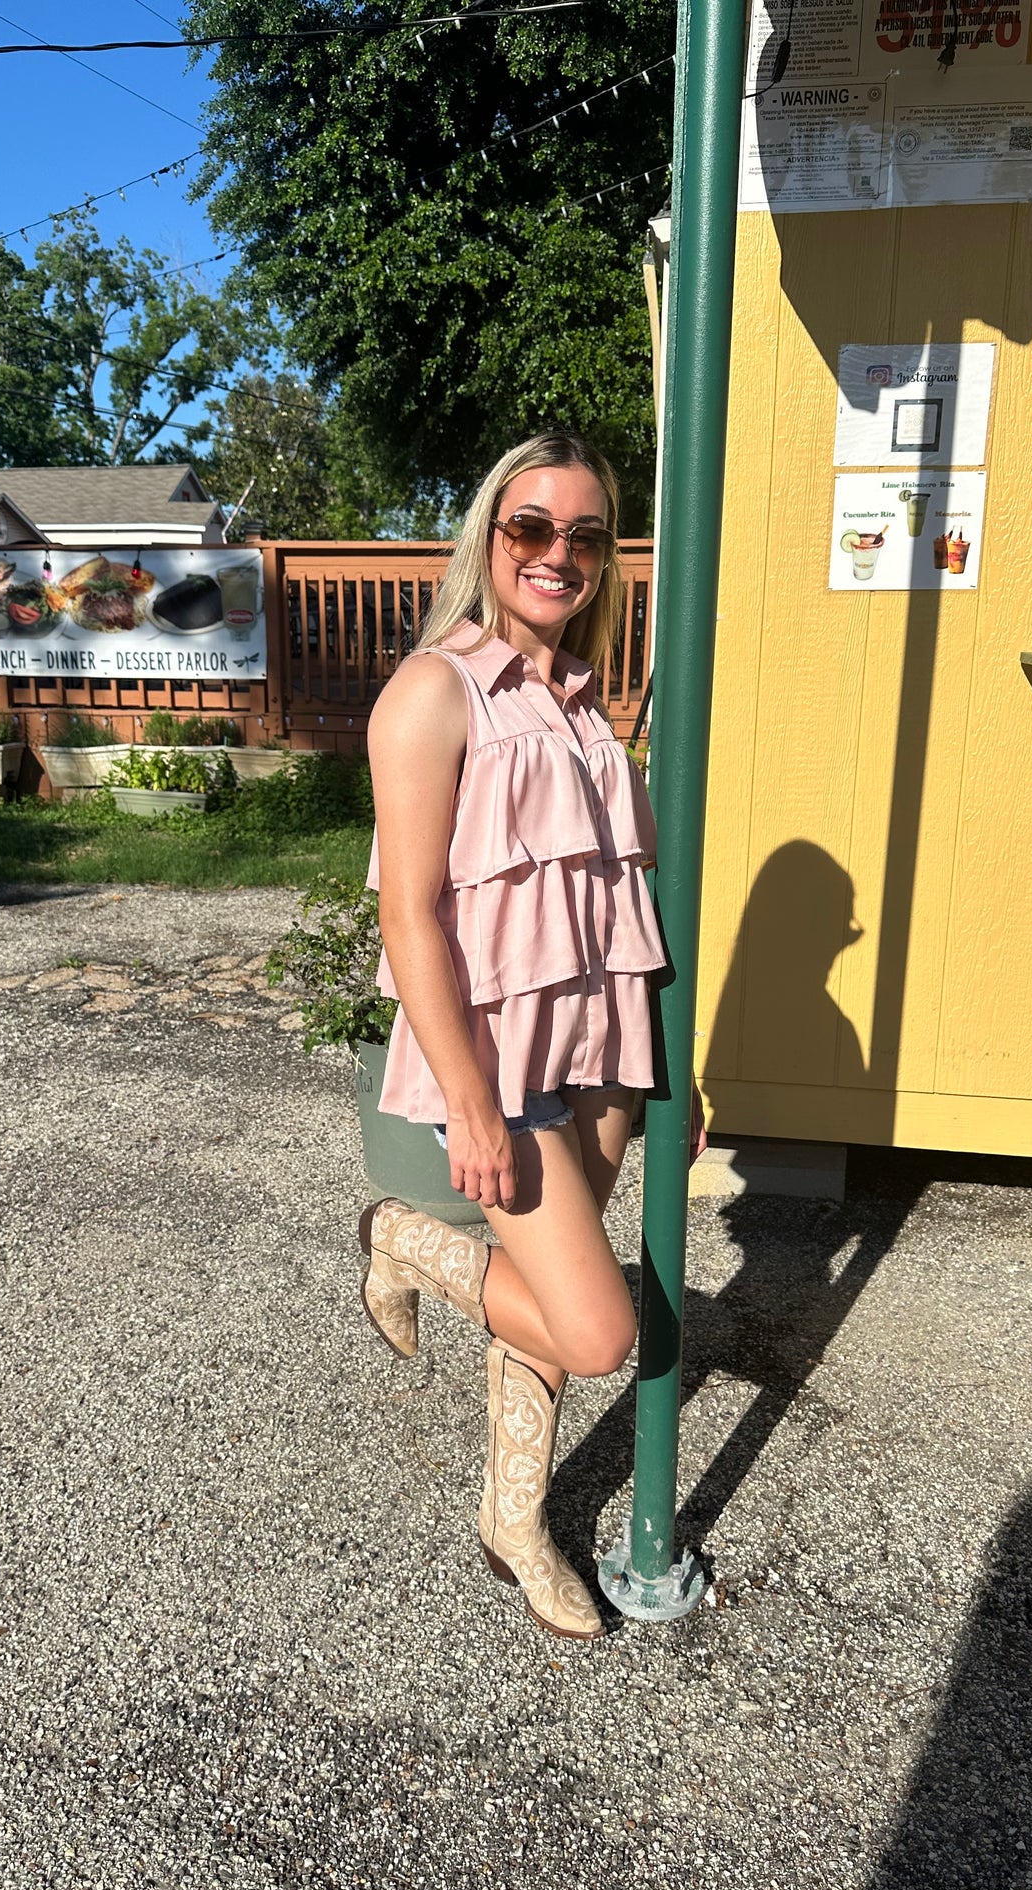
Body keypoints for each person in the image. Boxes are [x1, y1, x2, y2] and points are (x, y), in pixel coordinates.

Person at [361, 429, 701, 1642]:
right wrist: (463, 1098)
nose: (558, 553)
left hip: (603, 1047)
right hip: (501, 1061)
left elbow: (621, 895)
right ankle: (398, 1235)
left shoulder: (584, 704)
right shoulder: (429, 694)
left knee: (555, 1302)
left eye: (586, 536)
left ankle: (512, 1523)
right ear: (487, 537)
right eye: (531, 527)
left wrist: (675, 1066)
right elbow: (408, 914)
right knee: (597, 1329)